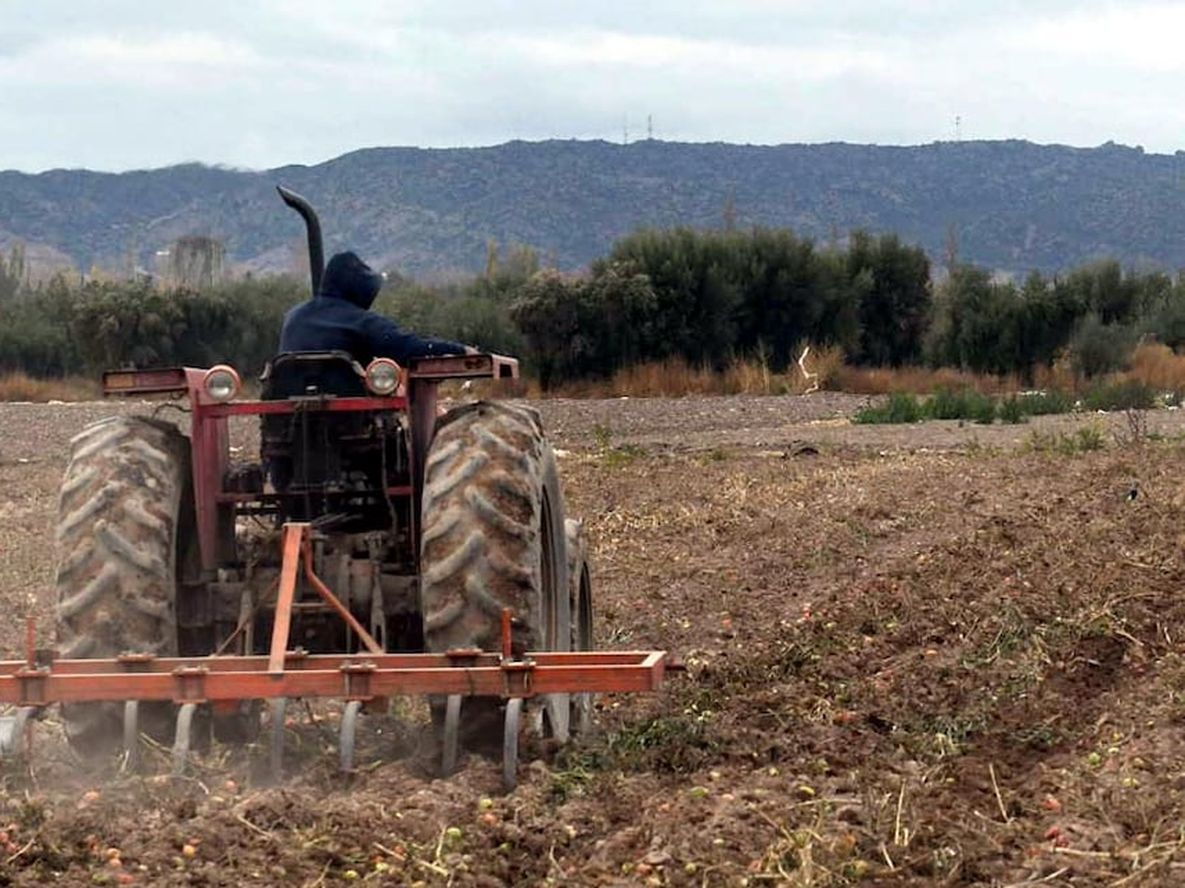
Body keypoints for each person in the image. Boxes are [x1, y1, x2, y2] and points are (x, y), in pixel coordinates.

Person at [279, 250, 473, 364]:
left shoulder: (293, 316)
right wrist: (460, 350)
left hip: (284, 409)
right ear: (358, 288)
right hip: (350, 418)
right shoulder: (361, 322)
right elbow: (409, 348)